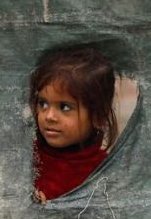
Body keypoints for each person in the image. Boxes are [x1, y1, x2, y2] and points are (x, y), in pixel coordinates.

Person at [29, 46, 118, 203]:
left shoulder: (103, 171)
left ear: (98, 116)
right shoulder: (26, 157)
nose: (49, 116)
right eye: (43, 103)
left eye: (64, 107)